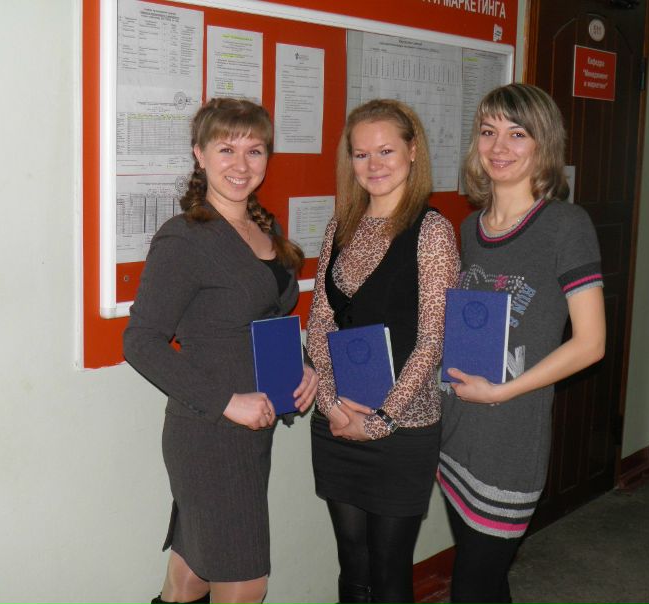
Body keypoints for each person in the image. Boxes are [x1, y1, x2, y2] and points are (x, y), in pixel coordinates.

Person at [123, 97, 318, 604]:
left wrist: (304, 367)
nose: (241, 164)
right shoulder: (185, 238)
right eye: (226, 149)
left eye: (254, 150)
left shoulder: (265, 229)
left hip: (254, 430)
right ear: (200, 154)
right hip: (210, 433)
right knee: (246, 582)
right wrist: (228, 402)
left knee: (192, 576)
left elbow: (265, 320)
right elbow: (140, 341)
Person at [438, 83, 606, 604]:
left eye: (517, 134)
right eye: (488, 132)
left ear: (542, 144)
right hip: (456, 435)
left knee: (470, 589)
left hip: (511, 443)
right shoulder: (471, 228)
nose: (499, 147)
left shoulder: (566, 225)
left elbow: (591, 344)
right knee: (489, 586)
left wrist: (502, 392)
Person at [306, 99, 460, 604]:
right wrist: (330, 403)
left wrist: (381, 419)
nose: (373, 165)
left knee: (390, 570)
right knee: (352, 563)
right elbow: (321, 319)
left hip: (403, 426)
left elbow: (433, 338)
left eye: (386, 151)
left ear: (413, 151)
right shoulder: (341, 225)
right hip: (336, 421)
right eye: (361, 154)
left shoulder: (431, 231)